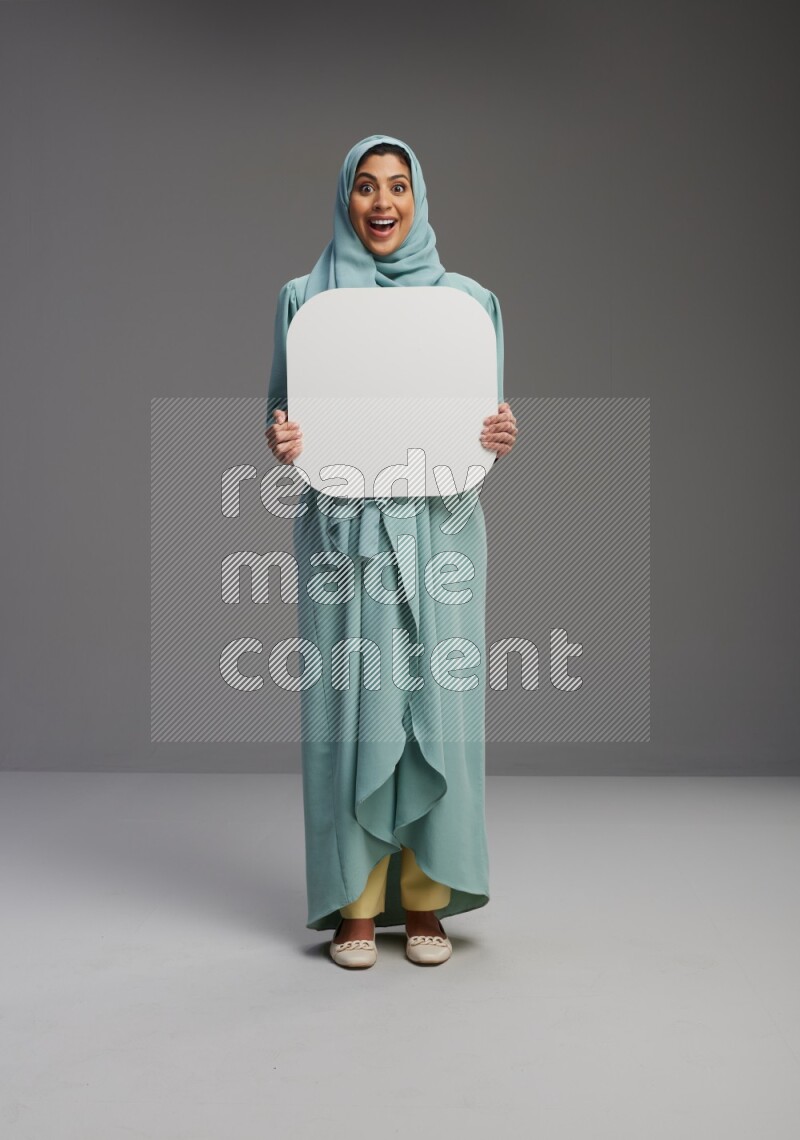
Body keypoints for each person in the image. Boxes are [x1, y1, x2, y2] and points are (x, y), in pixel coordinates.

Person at [265, 133, 517, 968]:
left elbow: (479, 421)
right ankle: (357, 904)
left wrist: (498, 431)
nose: (382, 203)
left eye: (398, 186)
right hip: (345, 536)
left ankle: (429, 896)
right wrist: (286, 440)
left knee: (436, 715)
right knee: (353, 712)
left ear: (418, 198)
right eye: (366, 187)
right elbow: (281, 413)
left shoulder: (468, 302)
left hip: (441, 529)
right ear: (346, 198)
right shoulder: (306, 298)